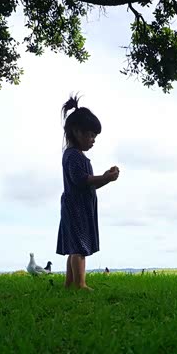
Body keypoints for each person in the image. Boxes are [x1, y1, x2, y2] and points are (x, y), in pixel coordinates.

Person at [56, 95, 120, 291]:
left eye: (95, 137)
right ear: (77, 132)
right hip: (76, 207)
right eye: (90, 135)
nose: (93, 140)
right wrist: (104, 177)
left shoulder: (77, 156)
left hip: (80, 206)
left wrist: (105, 179)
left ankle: (69, 284)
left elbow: (88, 184)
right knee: (79, 247)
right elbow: (81, 180)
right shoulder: (73, 156)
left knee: (75, 246)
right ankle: (80, 284)